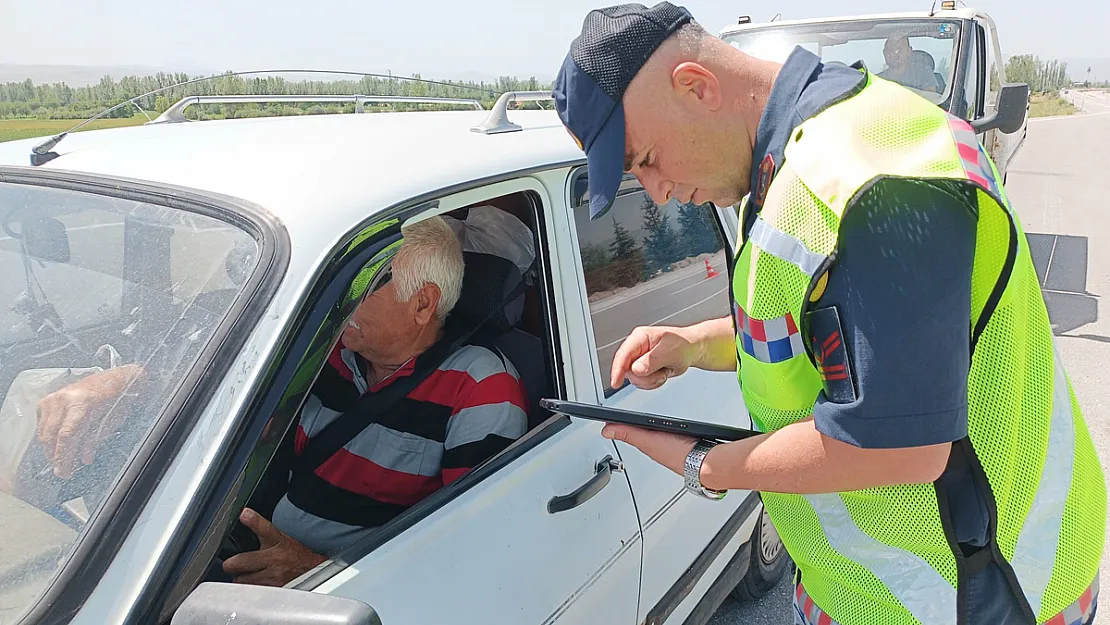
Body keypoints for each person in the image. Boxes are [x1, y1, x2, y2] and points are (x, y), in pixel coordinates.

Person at [552, 4, 1104, 625]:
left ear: (695, 86)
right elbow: (829, 335)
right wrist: (697, 343)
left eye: (645, 158)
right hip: (875, 589)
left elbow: (900, 446)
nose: (655, 191)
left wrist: (703, 464)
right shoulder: (779, 166)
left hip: (979, 592)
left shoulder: (874, 175)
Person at [35, 215, 529, 586]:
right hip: (258, 548)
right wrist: (129, 380)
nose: (341, 302)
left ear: (421, 303)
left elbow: (471, 554)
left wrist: (313, 569)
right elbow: (224, 370)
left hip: (348, 588)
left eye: (364, 286)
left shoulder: (481, 389)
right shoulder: (330, 351)